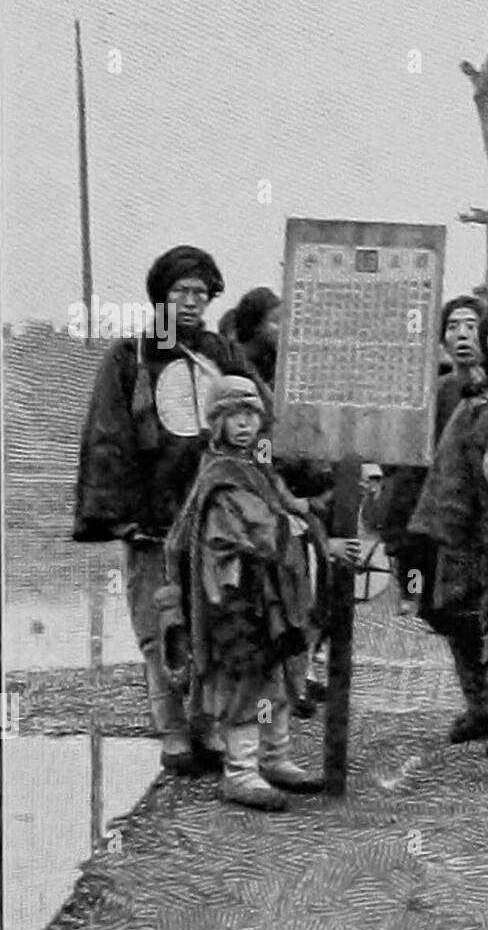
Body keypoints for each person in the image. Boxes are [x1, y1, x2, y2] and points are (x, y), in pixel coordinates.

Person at [73, 244, 260, 774]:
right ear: (161, 296)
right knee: (160, 626)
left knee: (219, 620)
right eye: (181, 292)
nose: (191, 302)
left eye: (201, 293)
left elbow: (257, 417)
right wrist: (115, 514)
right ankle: (174, 731)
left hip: (215, 519)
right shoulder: (130, 358)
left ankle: (212, 727)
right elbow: (108, 438)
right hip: (153, 519)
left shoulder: (223, 355)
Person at [163, 373, 332, 810]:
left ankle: (274, 758)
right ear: (216, 422)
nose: (244, 424)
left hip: (266, 592)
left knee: (272, 677)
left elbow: (281, 504)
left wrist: (305, 508)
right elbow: (260, 528)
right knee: (244, 679)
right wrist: (307, 531)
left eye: (251, 414)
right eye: (233, 415)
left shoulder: (253, 464)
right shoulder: (223, 475)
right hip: (235, 598)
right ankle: (240, 772)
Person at [408, 299, 488, 758]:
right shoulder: (468, 402)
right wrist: (446, 531)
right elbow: (451, 469)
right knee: (467, 621)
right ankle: (487, 709)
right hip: (477, 531)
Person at [374, 295, 488, 741]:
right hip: (440, 522)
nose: (463, 336)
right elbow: (407, 464)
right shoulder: (436, 393)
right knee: (451, 614)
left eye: (471, 326)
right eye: (454, 327)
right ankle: (478, 704)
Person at [220, 286, 282, 388]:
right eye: (275, 321)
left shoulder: (272, 359)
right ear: (255, 325)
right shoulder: (229, 358)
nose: (283, 328)